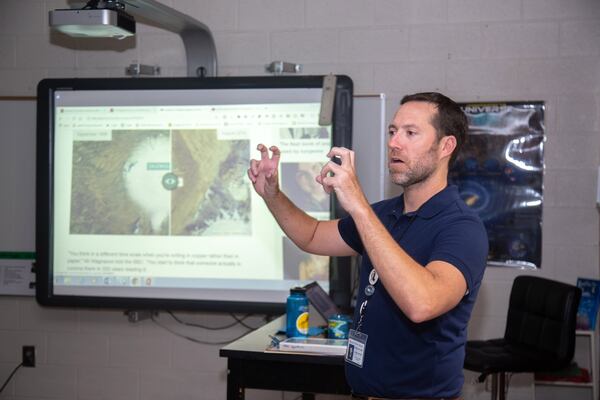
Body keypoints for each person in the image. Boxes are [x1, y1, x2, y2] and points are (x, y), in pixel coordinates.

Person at [248, 92, 488, 399]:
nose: (394, 143)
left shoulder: (461, 227)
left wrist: (358, 206)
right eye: (392, 132)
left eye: (410, 133)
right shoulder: (385, 214)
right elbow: (311, 235)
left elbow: (422, 304)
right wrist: (272, 194)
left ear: (446, 146)